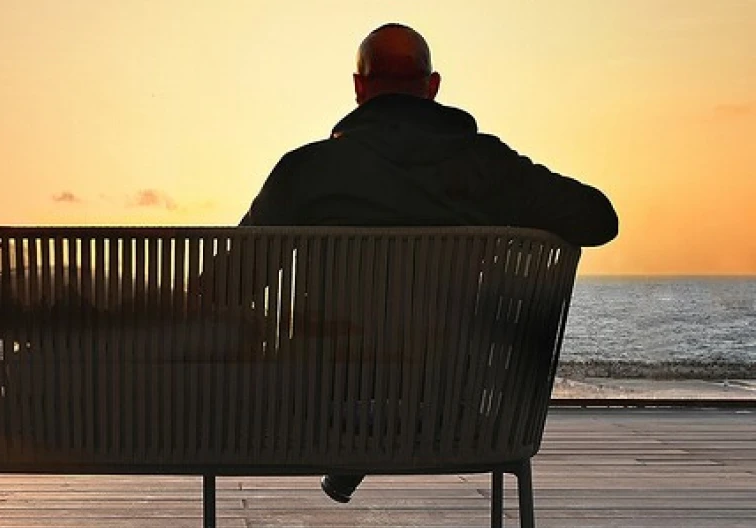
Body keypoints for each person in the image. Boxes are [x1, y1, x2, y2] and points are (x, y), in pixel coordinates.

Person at [239, 23, 619, 503]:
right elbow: (599, 219)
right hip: (453, 404)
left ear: (358, 88)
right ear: (433, 87)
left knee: (339, 360)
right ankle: (358, 451)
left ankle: (353, 453)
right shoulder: (487, 166)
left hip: (320, 406)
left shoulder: (305, 171)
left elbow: (225, 285)